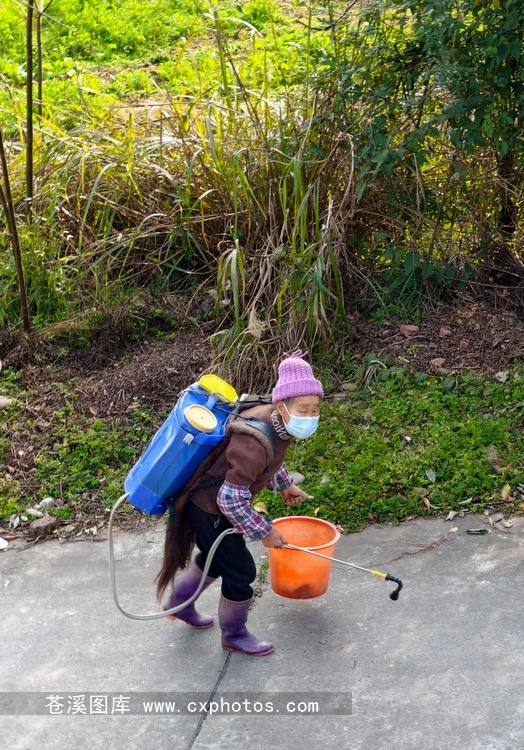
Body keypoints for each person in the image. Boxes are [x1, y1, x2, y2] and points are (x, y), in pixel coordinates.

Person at [157, 350, 323, 656]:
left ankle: (180, 603)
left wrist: (284, 485)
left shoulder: (274, 421)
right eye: (303, 409)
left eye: (315, 410)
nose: (310, 417)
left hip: (206, 500)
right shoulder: (254, 441)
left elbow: (271, 458)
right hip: (209, 507)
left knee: (216, 558)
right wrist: (265, 531)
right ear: (282, 406)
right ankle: (234, 635)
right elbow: (230, 499)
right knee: (241, 571)